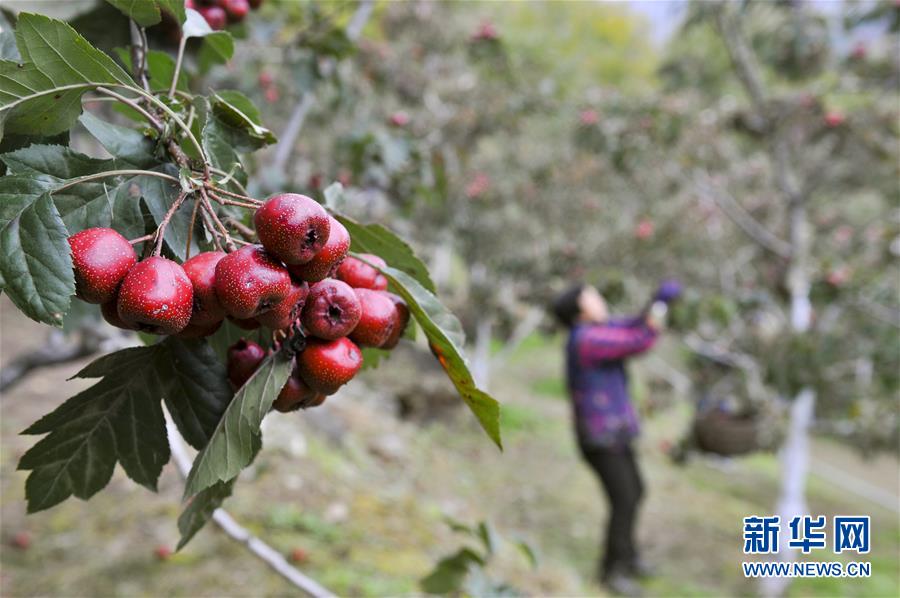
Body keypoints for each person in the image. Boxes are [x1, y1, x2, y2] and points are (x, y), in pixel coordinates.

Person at [552, 281, 680, 596]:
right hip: (599, 438)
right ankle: (611, 572)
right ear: (580, 310)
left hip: (615, 433)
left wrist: (655, 300)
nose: (600, 299)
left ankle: (628, 557)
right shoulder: (586, 340)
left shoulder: (598, 329)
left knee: (635, 491)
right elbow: (639, 339)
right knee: (624, 499)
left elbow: (633, 323)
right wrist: (660, 310)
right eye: (592, 296)